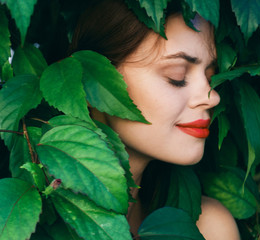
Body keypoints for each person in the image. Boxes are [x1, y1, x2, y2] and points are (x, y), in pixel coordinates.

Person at [69, 0, 240, 239]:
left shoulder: (208, 228)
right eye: (177, 76)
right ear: (91, 82)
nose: (212, 98)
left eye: (210, 76)